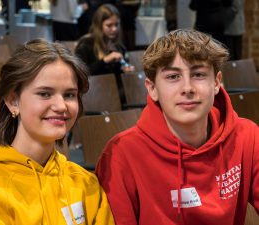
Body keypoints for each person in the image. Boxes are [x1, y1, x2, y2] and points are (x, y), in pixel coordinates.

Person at [96, 29, 259, 224]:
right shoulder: (120, 154)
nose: (187, 88)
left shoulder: (247, 136)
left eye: (198, 74)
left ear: (216, 83)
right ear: (152, 88)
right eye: (173, 77)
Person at [0, 38, 115, 225]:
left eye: (69, 95)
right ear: (13, 101)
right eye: (44, 94)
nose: (61, 105)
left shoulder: (85, 184)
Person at [75, 3, 134, 103]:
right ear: (99, 25)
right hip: (92, 94)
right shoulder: (86, 44)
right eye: (109, 25)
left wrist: (125, 70)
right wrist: (105, 61)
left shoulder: (119, 47)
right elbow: (80, 74)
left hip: (114, 95)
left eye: (116, 24)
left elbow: (117, 78)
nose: (114, 29)